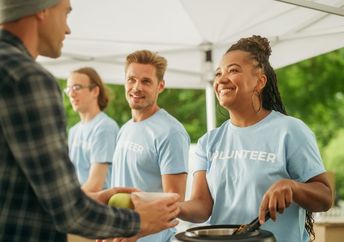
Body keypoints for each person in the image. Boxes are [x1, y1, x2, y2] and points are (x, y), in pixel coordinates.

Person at [0, 1, 180, 242]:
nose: (67, 29)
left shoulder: (162, 130)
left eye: (146, 81)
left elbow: (26, 191)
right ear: (43, 9)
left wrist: (92, 201)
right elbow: (67, 209)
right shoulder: (28, 78)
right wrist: (137, 221)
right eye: (65, 14)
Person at [178, 35, 333, 242]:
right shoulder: (209, 141)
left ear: (260, 81)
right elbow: (201, 206)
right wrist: (172, 207)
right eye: (218, 73)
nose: (221, 79)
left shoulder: (290, 131)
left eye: (233, 70)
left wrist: (293, 187)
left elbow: (324, 198)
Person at [111, 50, 190, 242]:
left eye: (146, 81)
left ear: (160, 86)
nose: (136, 87)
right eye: (131, 79)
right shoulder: (125, 129)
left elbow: (173, 201)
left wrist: (136, 233)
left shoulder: (171, 132)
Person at [66, 67, 119, 192]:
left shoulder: (105, 128)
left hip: (99, 205)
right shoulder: (74, 131)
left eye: (77, 88)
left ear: (95, 91)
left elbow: (95, 185)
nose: (71, 94)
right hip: (82, 199)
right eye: (69, 89)